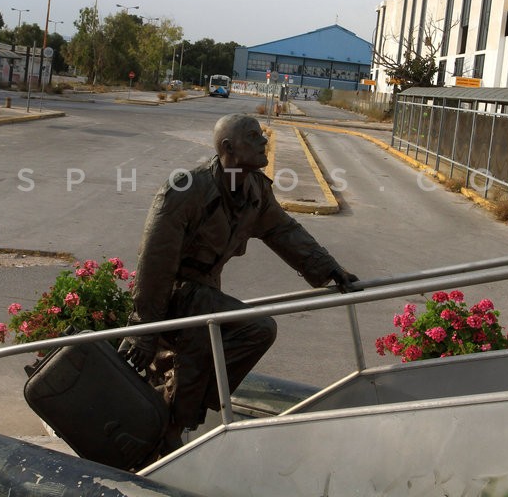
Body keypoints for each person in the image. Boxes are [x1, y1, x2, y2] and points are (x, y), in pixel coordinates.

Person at [120, 113, 359, 454]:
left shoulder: (255, 191)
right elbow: (155, 264)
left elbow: (283, 231)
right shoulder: (186, 190)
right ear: (228, 148)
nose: (264, 142)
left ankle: (176, 414)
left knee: (212, 347)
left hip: (205, 292)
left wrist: (330, 269)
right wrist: (144, 330)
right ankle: (174, 420)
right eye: (253, 137)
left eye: (262, 135)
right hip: (176, 294)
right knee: (256, 329)